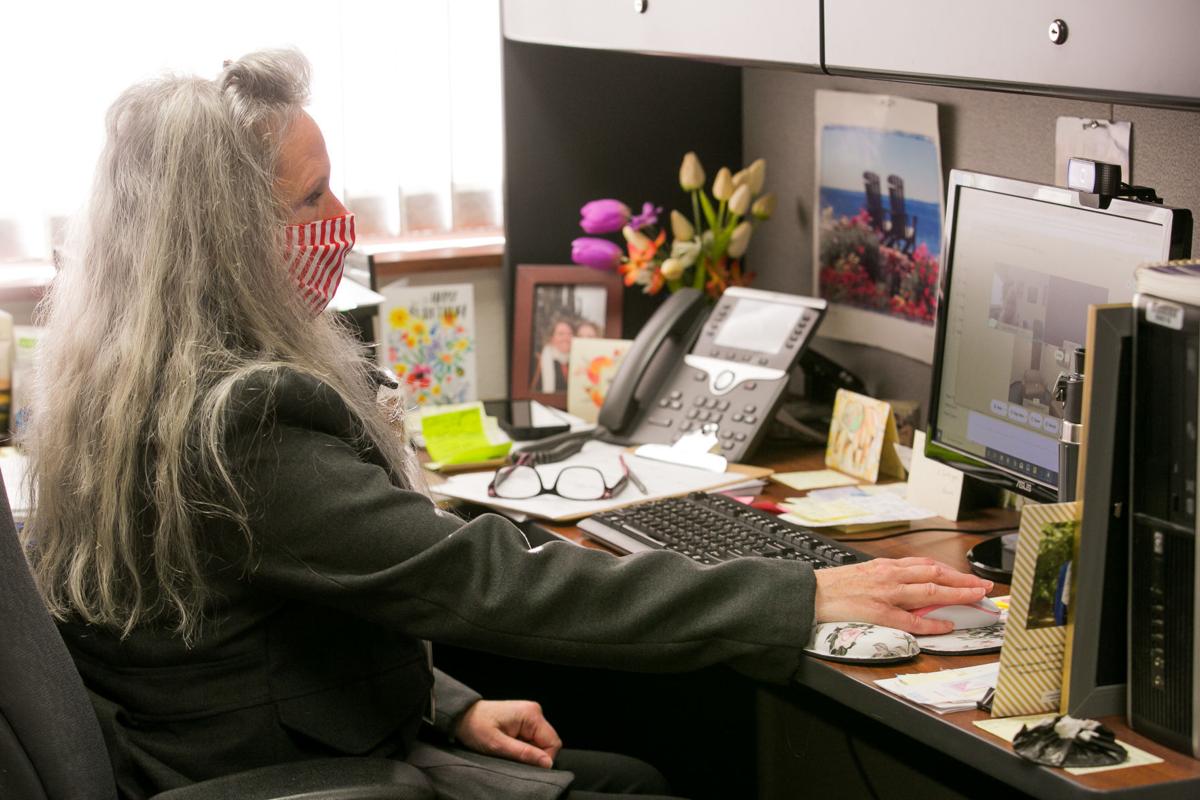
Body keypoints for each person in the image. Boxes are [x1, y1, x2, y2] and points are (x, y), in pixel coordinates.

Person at [22, 50, 992, 800]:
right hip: (281, 769)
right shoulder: (242, 424)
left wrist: (447, 700)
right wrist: (797, 596)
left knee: (630, 770)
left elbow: (270, 623)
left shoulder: (120, 381)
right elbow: (479, 580)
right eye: (311, 198)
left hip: (222, 748)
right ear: (227, 237)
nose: (344, 219)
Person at [534, 316, 573, 392]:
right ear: (551, 338)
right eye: (561, 334)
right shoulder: (538, 362)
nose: (566, 337)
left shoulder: (579, 362)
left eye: (570, 334)